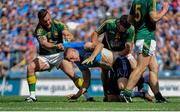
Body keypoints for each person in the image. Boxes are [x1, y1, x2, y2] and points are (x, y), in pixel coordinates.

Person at [25, 9, 92, 102]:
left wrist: (67, 35)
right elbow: (44, 44)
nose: (48, 22)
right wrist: (56, 45)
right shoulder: (39, 30)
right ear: (40, 20)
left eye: (49, 19)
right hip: (45, 57)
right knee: (30, 68)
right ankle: (32, 96)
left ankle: (88, 97)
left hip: (60, 56)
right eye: (45, 21)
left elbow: (67, 32)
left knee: (73, 75)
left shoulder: (58, 24)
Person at [64, 41, 152, 101]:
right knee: (110, 98)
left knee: (122, 88)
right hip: (112, 69)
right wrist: (77, 96)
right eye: (69, 60)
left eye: (71, 58)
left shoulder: (85, 47)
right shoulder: (80, 64)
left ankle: (143, 81)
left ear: (74, 51)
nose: (72, 61)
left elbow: (100, 45)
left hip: (120, 61)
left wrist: (92, 57)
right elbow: (86, 82)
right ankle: (141, 94)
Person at [120, 0, 169, 103]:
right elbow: (154, 18)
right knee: (141, 68)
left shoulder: (135, 1)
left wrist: (140, 26)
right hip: (147, 38)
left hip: (140, 37)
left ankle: (158, 96)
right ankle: (127, 93)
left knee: (154, 68)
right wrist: (164, 10)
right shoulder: (151, 1)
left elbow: (129, 19)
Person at [90, 15, 138, 100]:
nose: (124, 30)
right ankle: (106, 93)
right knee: (104, 71)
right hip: (108, 49)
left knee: (135, 67)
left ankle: (133, 90)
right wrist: (95, 44)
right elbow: (95, 33)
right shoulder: (109, 23)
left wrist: (118, 54)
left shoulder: (131, 29)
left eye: (127, 28)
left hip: (123, 51)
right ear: (119, 23)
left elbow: (129, 49)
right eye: (123, 27)